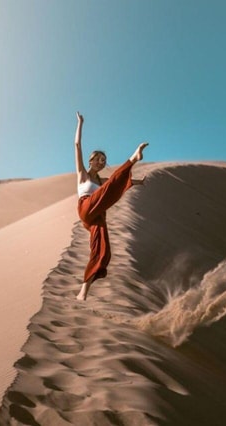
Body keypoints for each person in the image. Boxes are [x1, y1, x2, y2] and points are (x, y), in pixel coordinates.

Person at [74, 112, 148, 300]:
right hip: (86, 207)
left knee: (103, 250)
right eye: (99, 159)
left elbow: (119, 184)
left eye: (104, 160)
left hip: (97, 214)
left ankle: (83, 291)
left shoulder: (102, 180)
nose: (102, 162)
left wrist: (138, 182)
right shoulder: (83, 174)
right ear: (91, 161)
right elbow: (77, 145)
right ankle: (133, 158)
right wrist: (80, 123)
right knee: (109, 186)